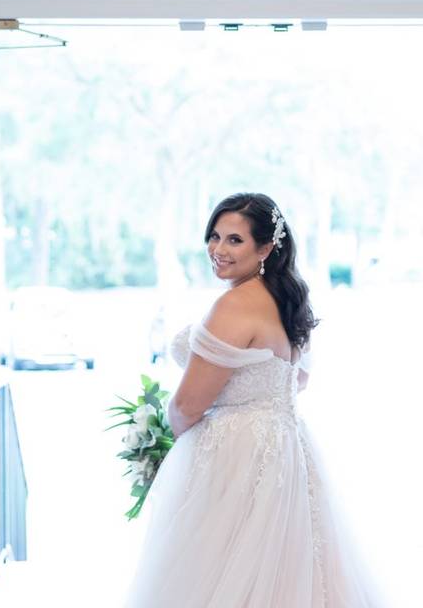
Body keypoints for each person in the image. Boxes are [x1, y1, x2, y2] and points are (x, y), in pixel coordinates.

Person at [123, 192, 387, 607]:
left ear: (266, 248)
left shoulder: (233, 306)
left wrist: (173, 446)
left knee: (219, 571)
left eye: (234, 240)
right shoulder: (289, 301)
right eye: (214, 236)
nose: (218, 250)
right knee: (294, 566)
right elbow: (295, 381)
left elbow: (187, 406)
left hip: (235, 456)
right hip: (288, 448)